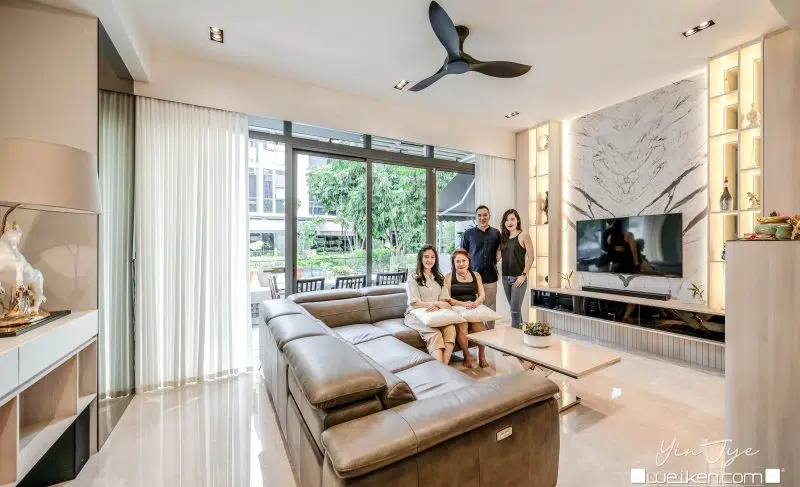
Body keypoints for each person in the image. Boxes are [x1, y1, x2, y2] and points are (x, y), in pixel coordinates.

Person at [404, 244, 463, 364]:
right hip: (416, 315)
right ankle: (441, 370)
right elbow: (415, 304)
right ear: (420, 258)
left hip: (437, 313)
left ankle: (444, 367)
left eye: (432, 257)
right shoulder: (413, 277)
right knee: (435, 334)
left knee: (451, 329)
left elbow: (445, 301)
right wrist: (436, 303)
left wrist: (438, 306)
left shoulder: (440, 277)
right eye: (426, 257)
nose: (429, 260)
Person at [445, 249, 490, 368]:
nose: (461, 264)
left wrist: (475, 303)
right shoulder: (449, 277)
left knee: (479, 327)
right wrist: (464, 304)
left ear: (469, 261)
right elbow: (448, 298)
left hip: (473, 307)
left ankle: (482, 355)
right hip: (457, 307)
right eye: (458, 261)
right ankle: (466, 355)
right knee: (462, 328)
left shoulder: (476, 275)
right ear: (453, 263)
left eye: (464, 260)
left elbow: (482, 295)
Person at [460, 205, 502, 329]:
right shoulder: (468, 234)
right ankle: (477, 333)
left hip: (491, 276)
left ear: (489, 216)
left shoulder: (496, 233)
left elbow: (501, 248)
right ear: (476, 217)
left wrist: (497, 256)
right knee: (474, 306)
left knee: (491, 306)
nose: (482, 218)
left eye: (485, 215)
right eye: (479, 215)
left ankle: (490, 333)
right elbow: (463, 254)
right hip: (473, 277)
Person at [498, 209, 534, 329]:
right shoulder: (504, 238)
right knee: (515, 309)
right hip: (505, 278)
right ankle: (520, 334)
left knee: (514, 311)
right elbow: (498, 257)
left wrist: (523, 275)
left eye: (512, 219)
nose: (509, 222)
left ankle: (514, 337)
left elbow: (531, 257)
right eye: (506, 220)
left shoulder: (523, 235)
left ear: (517, 220)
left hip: (518, 278)